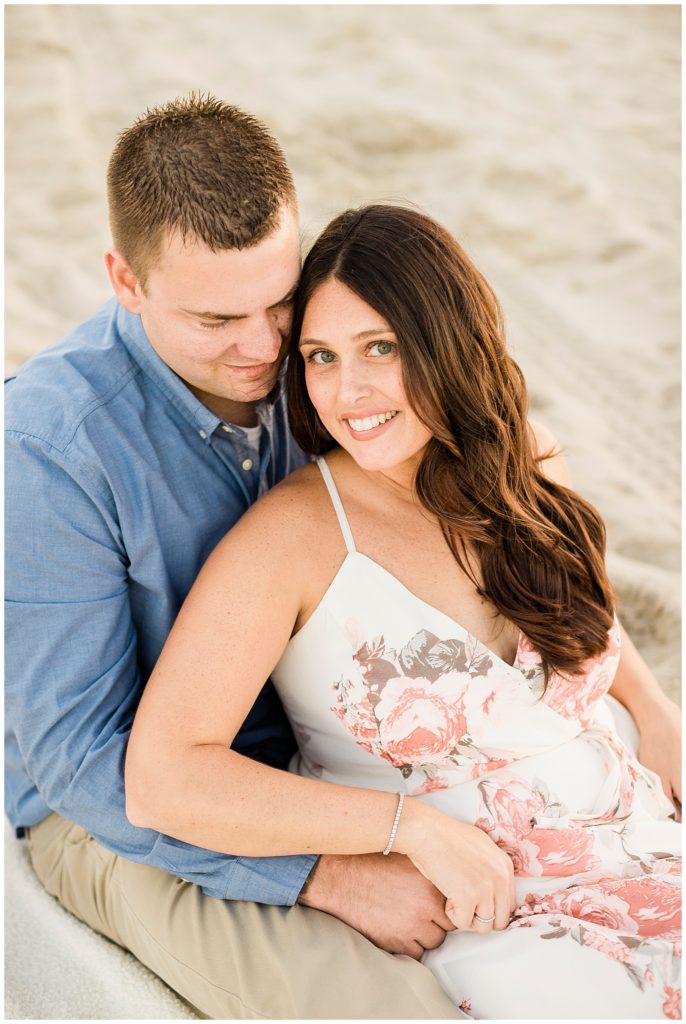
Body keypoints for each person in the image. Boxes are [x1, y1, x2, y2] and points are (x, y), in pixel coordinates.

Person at [127, 204, 682, 1019]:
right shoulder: (291, 542)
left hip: (641, 831)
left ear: (446, 340)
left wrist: (656, 709)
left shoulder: (523, 458)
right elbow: (163, 777)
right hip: (500, 917)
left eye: (379, 348)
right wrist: (407, 829)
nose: (349, 394)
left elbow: (575, 610)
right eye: (321, 357)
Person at [5, 96, 466, 1019]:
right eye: (217, 319)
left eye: (279, 300)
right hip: (126, 815)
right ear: (125, 283)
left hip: (326, 755)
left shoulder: (320, 348)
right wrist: (318, 874)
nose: (264, 348)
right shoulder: (47, 447)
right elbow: (80, 761)